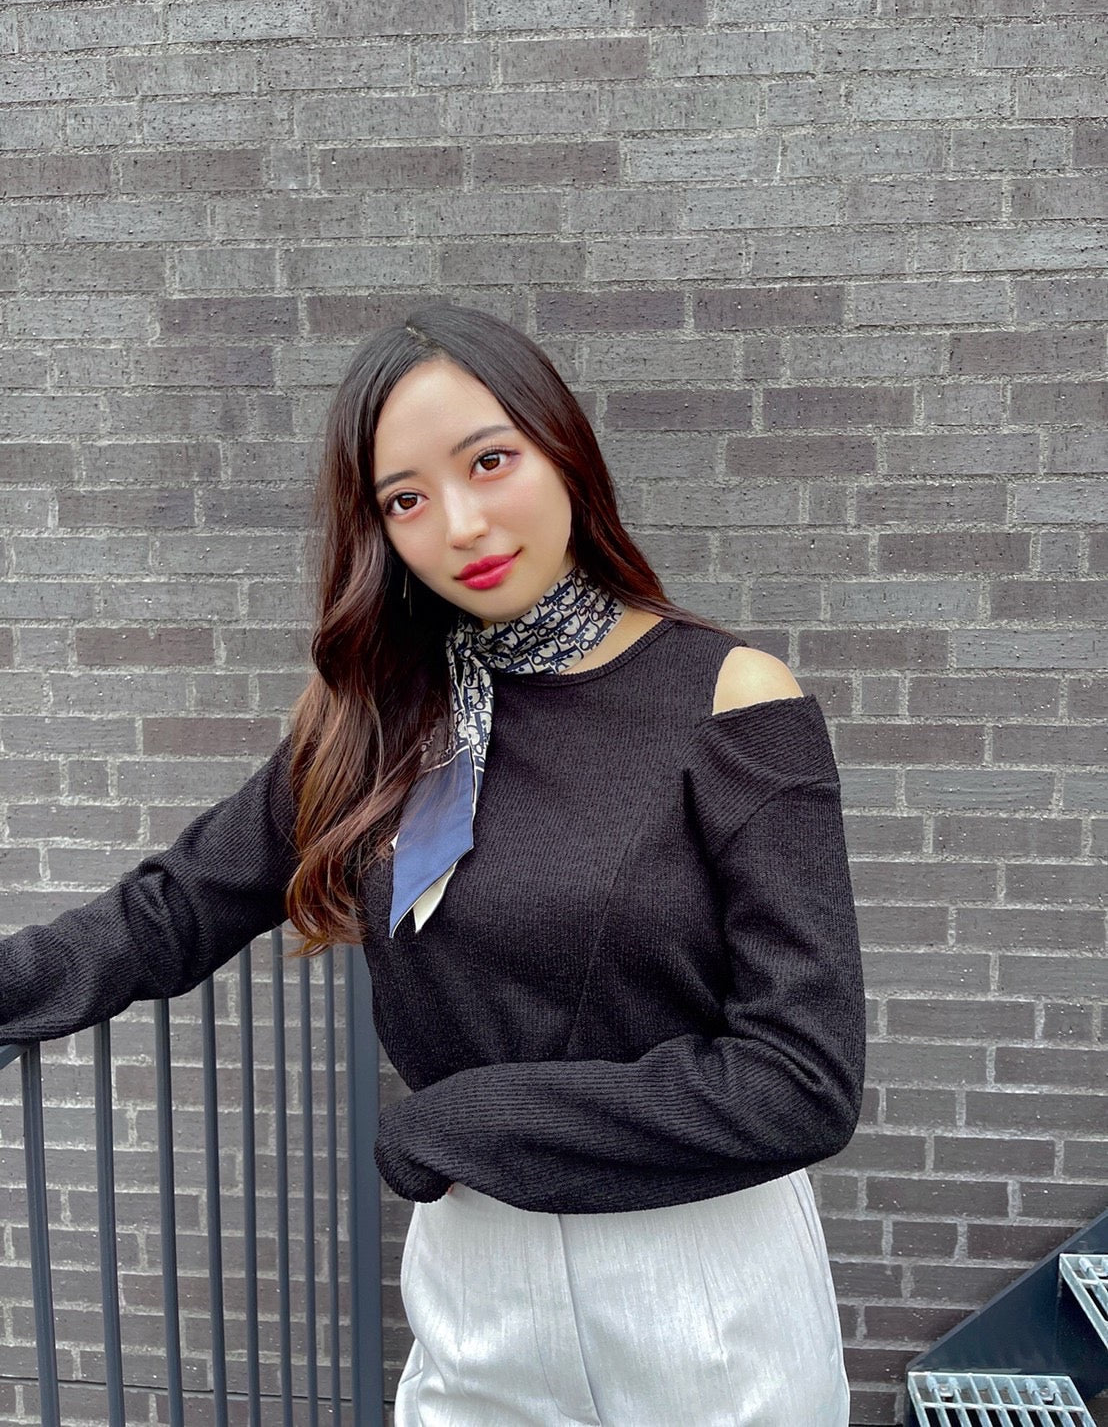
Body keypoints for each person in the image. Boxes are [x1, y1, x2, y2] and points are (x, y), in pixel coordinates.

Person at [0, 301, 865, 1426]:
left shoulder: (730, 696)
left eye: (489, 461)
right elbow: (171, 911)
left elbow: (802, 1079)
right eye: (405, 499)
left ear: (562, 448)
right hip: (478, 1287)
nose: (460, 523)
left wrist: (458, 1120)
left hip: (705, 1284)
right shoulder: (381, 724)